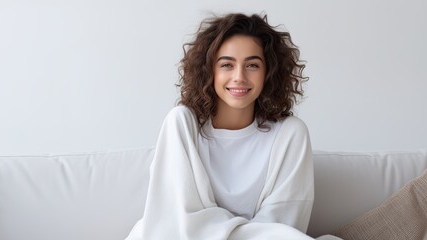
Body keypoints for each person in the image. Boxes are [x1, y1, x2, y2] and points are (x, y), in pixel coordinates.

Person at [126, 13, 333, 240]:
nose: (239, 77)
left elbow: (284, 224)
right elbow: (176, 219)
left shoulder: (290, 134)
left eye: (252, 65)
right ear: (209, 71)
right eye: (226, 64)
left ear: (269, 72)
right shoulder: (182, 123)